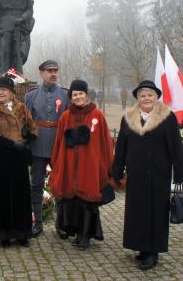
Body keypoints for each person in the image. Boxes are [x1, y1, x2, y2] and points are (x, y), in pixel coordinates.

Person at [111, 80, 183, 270]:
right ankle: (140, 247)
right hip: (136, 174)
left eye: (150, 95)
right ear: (138, 98)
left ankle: (153, 251)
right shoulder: (128, 118)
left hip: (158, 174)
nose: (146, 98)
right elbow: (122, 146)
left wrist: (180, 172)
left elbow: (176, 146)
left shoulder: (167, 117)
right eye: (142, 95)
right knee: (137, 212)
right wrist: (117, 170)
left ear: (156, 97)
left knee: (156, 213)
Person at [49, 80, 113, 250]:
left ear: (87, 95)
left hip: (89, 165)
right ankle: (77, 232)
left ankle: (86, 235)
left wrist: (107, 165)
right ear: (71, 97)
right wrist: (56, 161)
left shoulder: (97, 115)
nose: (78, 97)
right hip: (70, 165)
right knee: (72, 199)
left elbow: (105, 141)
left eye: (81, 94)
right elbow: (59, 142)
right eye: (74, 95)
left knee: (87, 199)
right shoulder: (66, 116)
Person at [0, 76, 38, 247]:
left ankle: (22, 233)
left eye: (4, 90)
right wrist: (12, 144)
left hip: (18, 158)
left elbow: (32, 125)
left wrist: (28, 138)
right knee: (2, 196)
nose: (0, 92)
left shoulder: (21, 107)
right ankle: (3, 234)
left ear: (11, 92)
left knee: (20, 195)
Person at [24, 59, 69, 237]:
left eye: (55, 70)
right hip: (37, 145)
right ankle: (38, 223)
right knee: (35, 184)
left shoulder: (66, 95)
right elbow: (27, 122)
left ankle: (61, 224)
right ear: (41, 73)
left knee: (61, 185)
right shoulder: (31, 96)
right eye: (49, 71)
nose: (53, 74)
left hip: (59, 146)